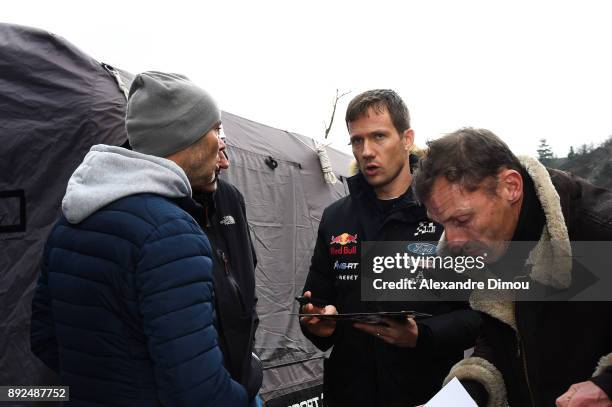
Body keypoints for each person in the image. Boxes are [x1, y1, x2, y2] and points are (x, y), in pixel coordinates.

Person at [30, 71, 256, 406]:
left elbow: (45, 339)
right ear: (187, 136)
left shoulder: (70, 220)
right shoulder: (170, 232)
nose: (220, 142)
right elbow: (199, 393)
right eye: (214, 128)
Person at [299, 89, 481, 406]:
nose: (367, 150)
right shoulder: (336, 218)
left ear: (406, 138)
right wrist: (319, 326)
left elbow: (479, 313)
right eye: (357, 140)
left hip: (431, 392)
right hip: (350, 393)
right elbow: (319, 304)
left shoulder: (445, 213)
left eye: (379, 136)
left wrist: (421, 337)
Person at [413, 127, 612, 407]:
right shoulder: (484, 248)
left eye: (462, 219)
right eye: (443, 224)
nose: (453, 241)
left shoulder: (600, 231)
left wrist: (607, 385)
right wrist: (457, 400)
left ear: (510, 186)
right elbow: (498, 341)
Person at [180, 125, 263, 401]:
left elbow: (245, 269)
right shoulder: (159, 209)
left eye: (224, 148)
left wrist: (249, 349)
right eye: (217, 151)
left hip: (243, 379)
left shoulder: (230, 198)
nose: (225, 164)